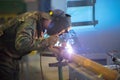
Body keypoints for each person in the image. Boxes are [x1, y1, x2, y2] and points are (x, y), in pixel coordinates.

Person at [0, 9, 71, 80]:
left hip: (10, 57)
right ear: (56, 24)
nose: (59, 34)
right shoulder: (31, 21)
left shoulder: (39, 24)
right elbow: (21, 44)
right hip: (3, 56)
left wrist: (54, 49)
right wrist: (47, 41)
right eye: (61, 31)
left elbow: (35, 44)